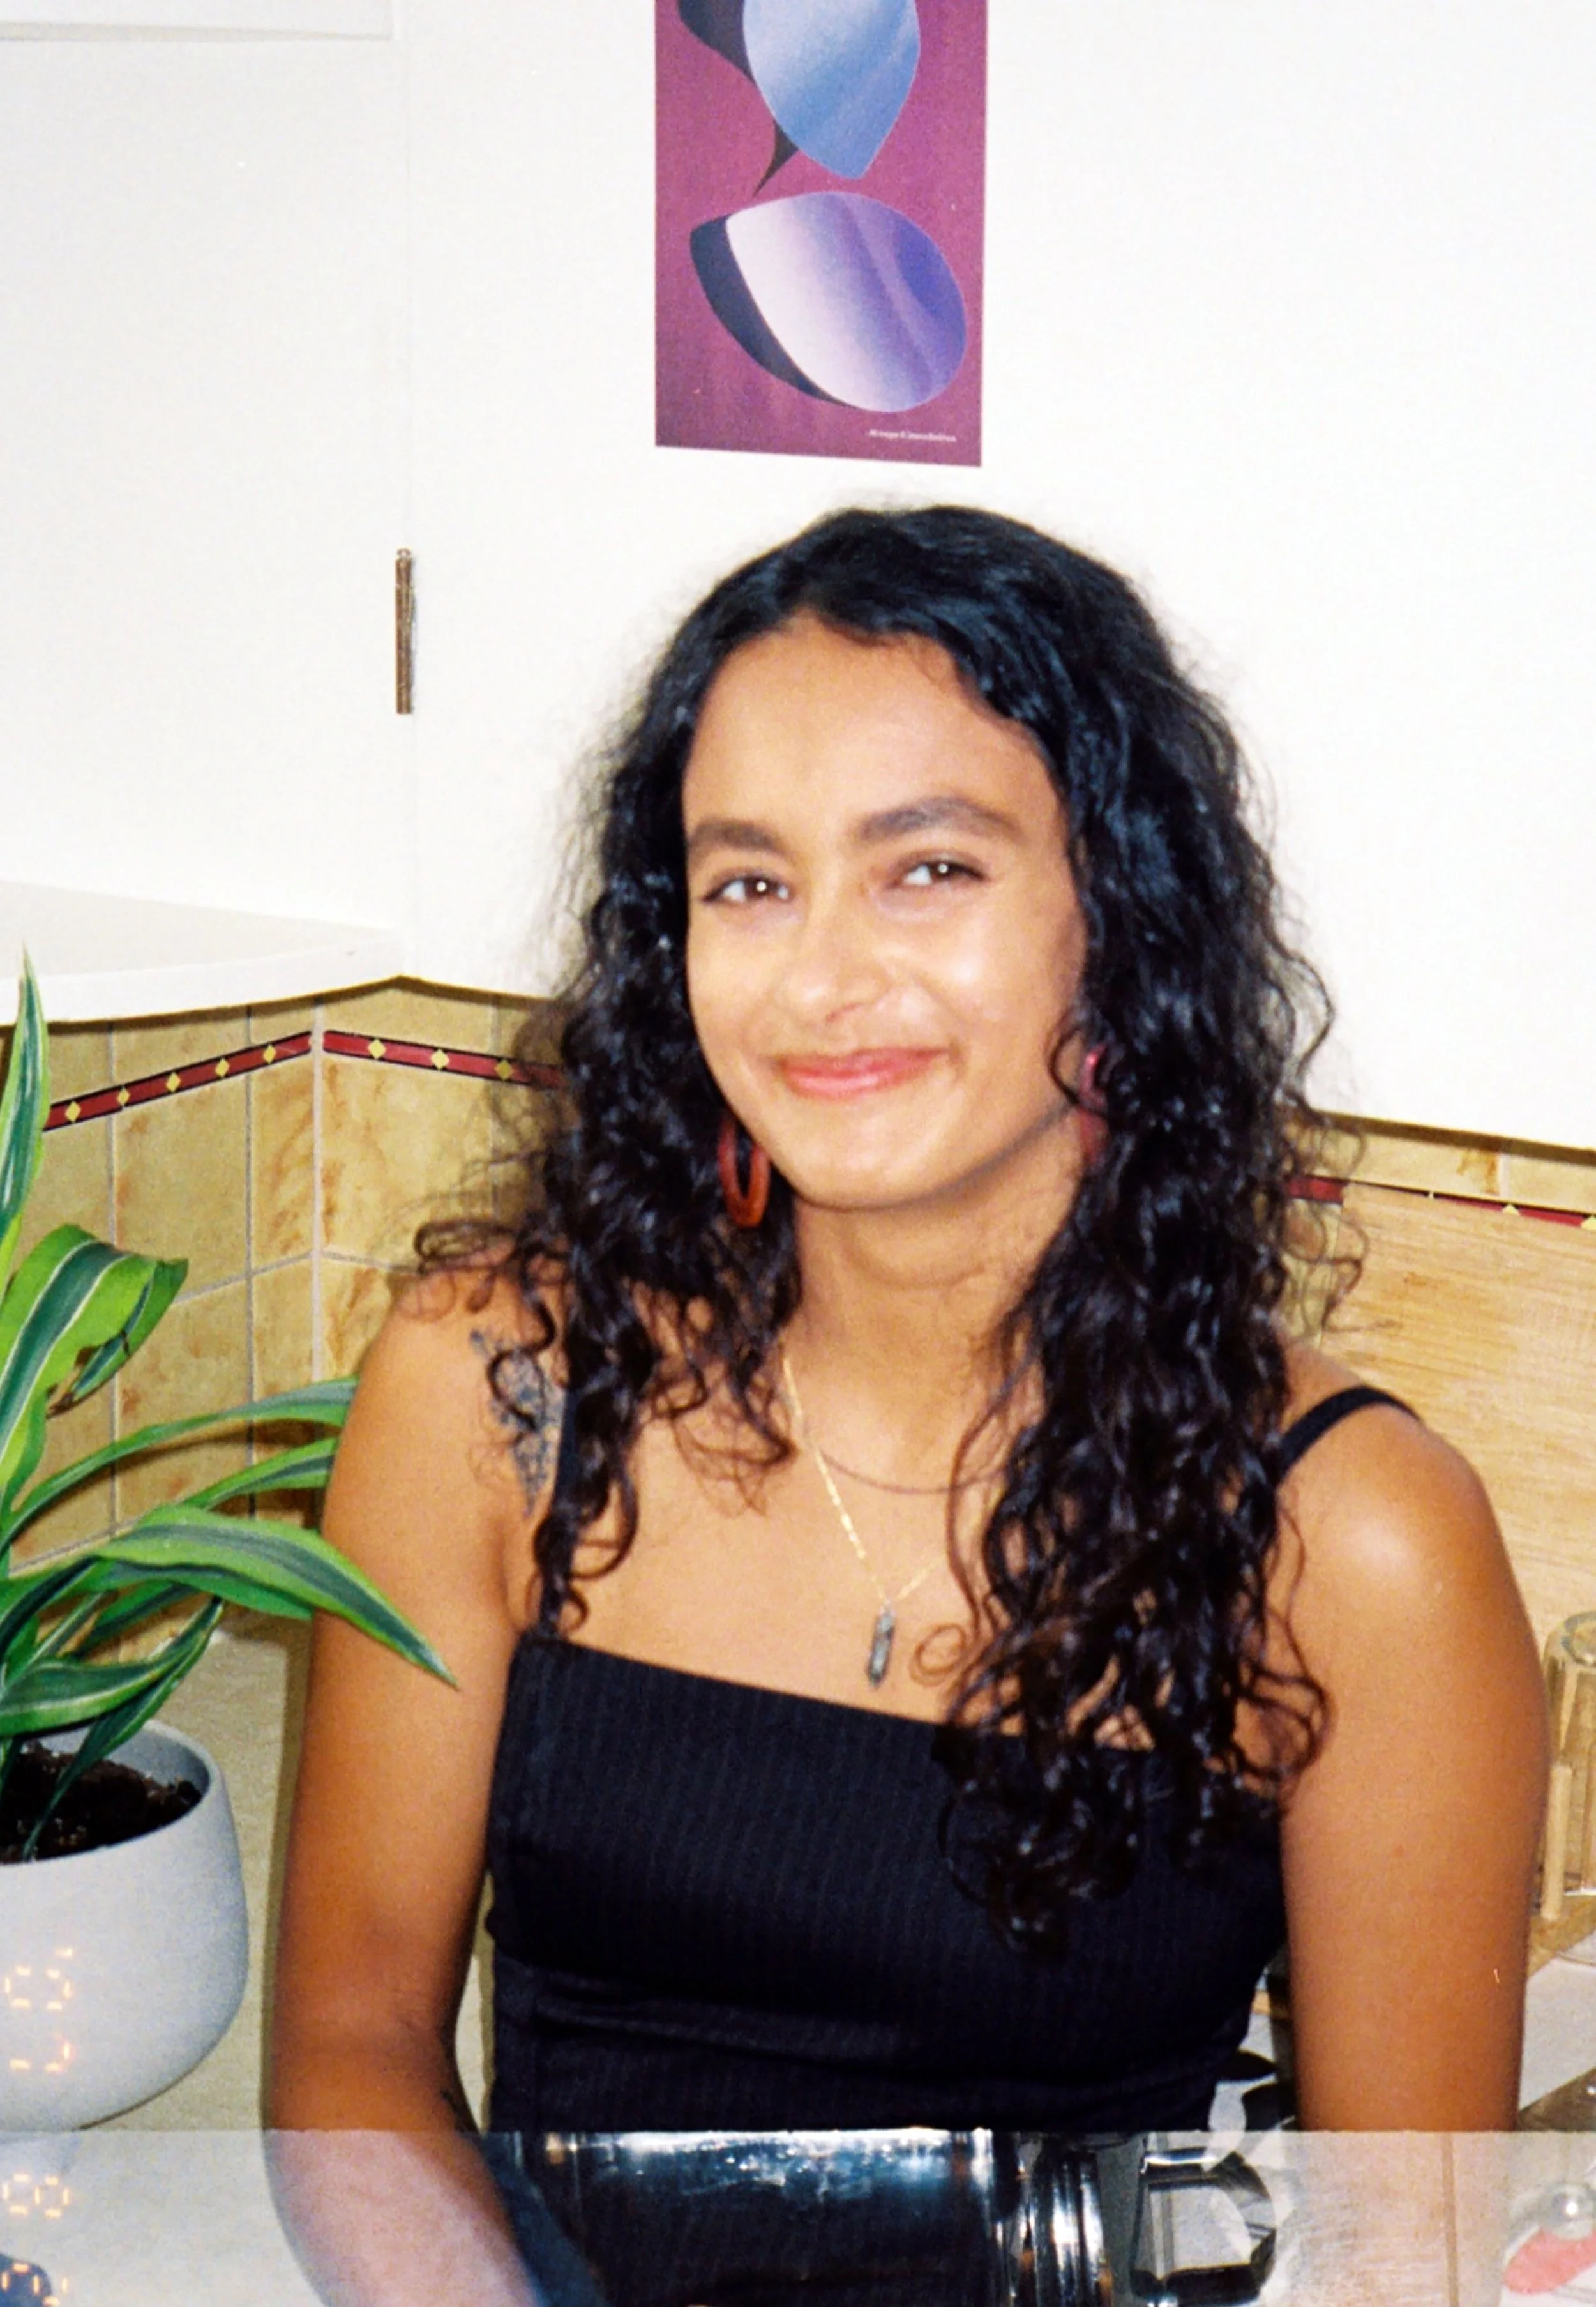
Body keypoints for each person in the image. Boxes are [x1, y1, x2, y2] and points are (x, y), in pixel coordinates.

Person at [269, 507, 1546, 2200]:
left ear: (1116, 912)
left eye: (927, 865)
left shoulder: (1352, 1541)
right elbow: (347, 2048)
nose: (820, 973)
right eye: (749, 880)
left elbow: (1406, 2244)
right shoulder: (499, 1390)